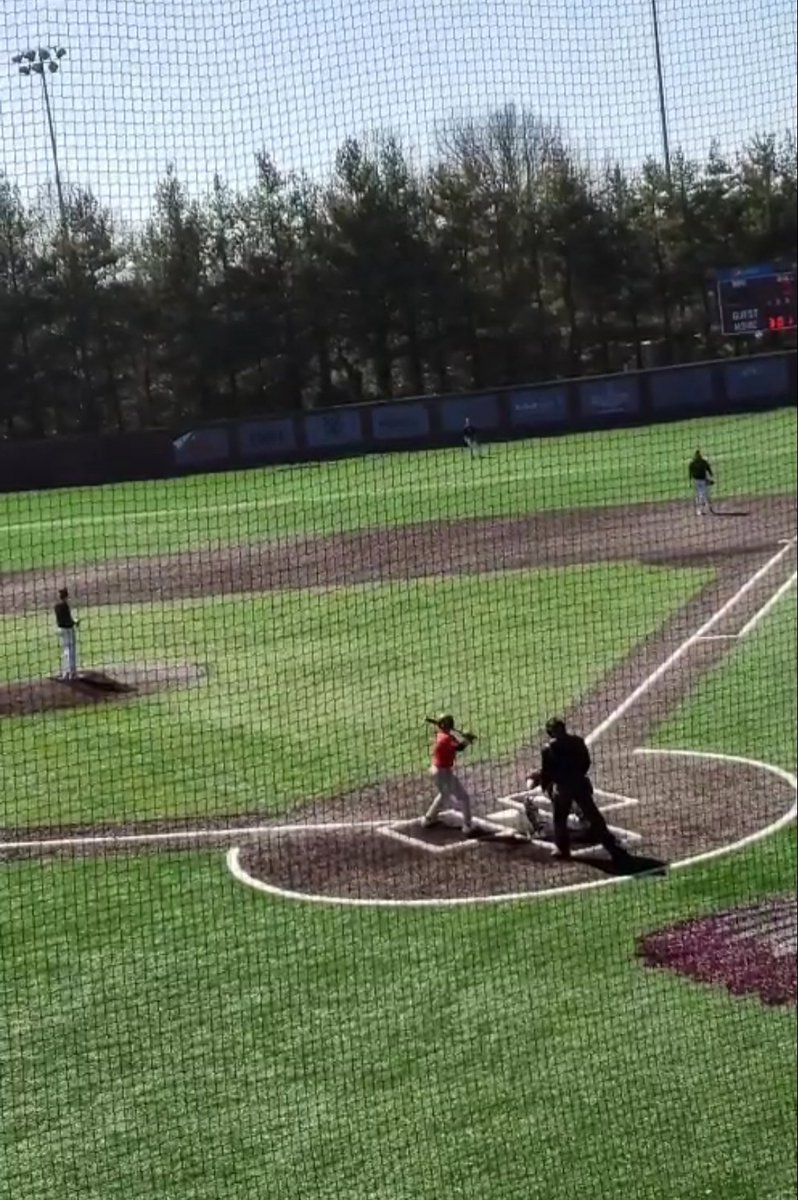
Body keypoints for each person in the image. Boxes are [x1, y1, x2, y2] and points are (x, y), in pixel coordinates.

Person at [524, 717, 625, 862]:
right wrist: (577, 776)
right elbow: (586, 763)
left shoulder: (548, 749)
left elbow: (548, 772)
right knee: (593, 815)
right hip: (580, 784)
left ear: (550, 733)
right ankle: (610, 844)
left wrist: (547, 782)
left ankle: (562, 849)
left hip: (563, 788)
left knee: (560, 819)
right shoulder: (577, 741)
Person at [422, 714, 477, 835]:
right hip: (443, 773)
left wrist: (465, 739)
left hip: (434, 770)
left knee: (444, 794)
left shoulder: (441, 735)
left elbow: (454, 741)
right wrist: (467, 740)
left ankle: (428, 818)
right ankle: (468, 826)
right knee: (464, 797)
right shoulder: (446, 739)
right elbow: (459, 747)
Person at [54, 587, 79, 681]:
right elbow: (68, 621)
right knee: (71, 651)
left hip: (60, 630)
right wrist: (75, 622)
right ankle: (72, 673)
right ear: (66, 596)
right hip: (68, 630)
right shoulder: (65, 606)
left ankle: (65, 673)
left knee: (65, 651)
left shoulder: (56, 606)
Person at [688, 449, 714, 515]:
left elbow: (709, 470)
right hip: (696, 481)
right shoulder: (693, 463)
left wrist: (710, 478)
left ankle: (709, 507)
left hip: (703, 481)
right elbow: (690, 473)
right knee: (700, 495)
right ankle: (700, 510)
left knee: (705, 495)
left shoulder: (702, 462)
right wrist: (690, 482)